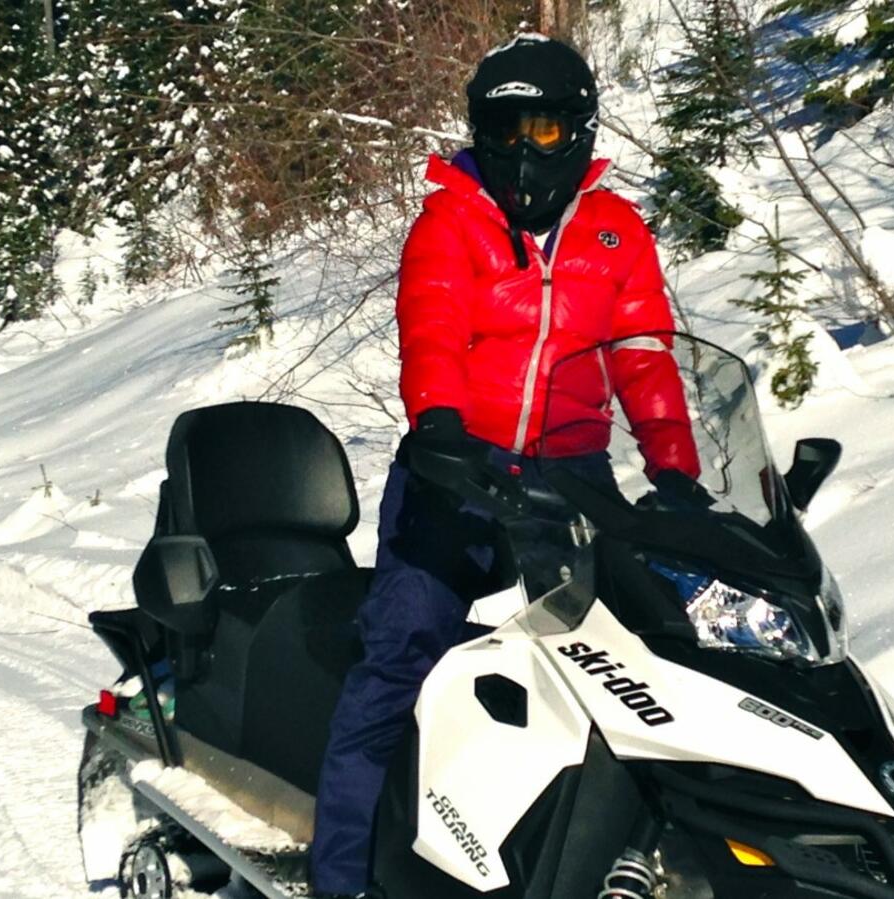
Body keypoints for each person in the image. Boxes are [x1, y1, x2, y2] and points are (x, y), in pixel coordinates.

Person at [310, 34, 702, 897]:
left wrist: (673, 468)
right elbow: (432, 326)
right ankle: (343, 878)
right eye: (503, 130)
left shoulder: (615, 231)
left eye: (544, 131)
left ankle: (621, 858)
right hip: (457, 466)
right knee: (401, 654)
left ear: (579, 130)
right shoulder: (451, 221)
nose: (523, 150)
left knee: (623, 665)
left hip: (571, 474)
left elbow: (642, 353)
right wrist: (439, 424)